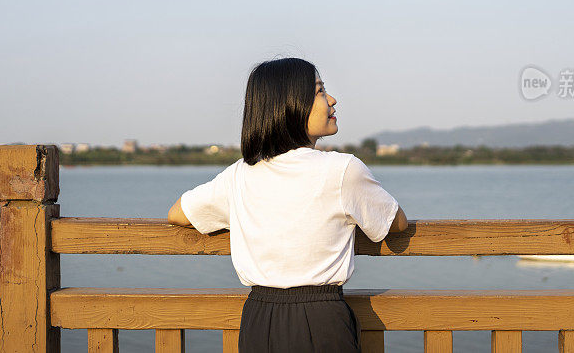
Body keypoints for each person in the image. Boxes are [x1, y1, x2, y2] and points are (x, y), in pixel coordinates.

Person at [167, 57, 408, 352]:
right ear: (291, 105)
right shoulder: (343, 170)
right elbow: (396, 223)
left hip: (258, 318)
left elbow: (178, 213)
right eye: (320, 91)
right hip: (322, 318)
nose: (332, 99)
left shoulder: (242, 173)